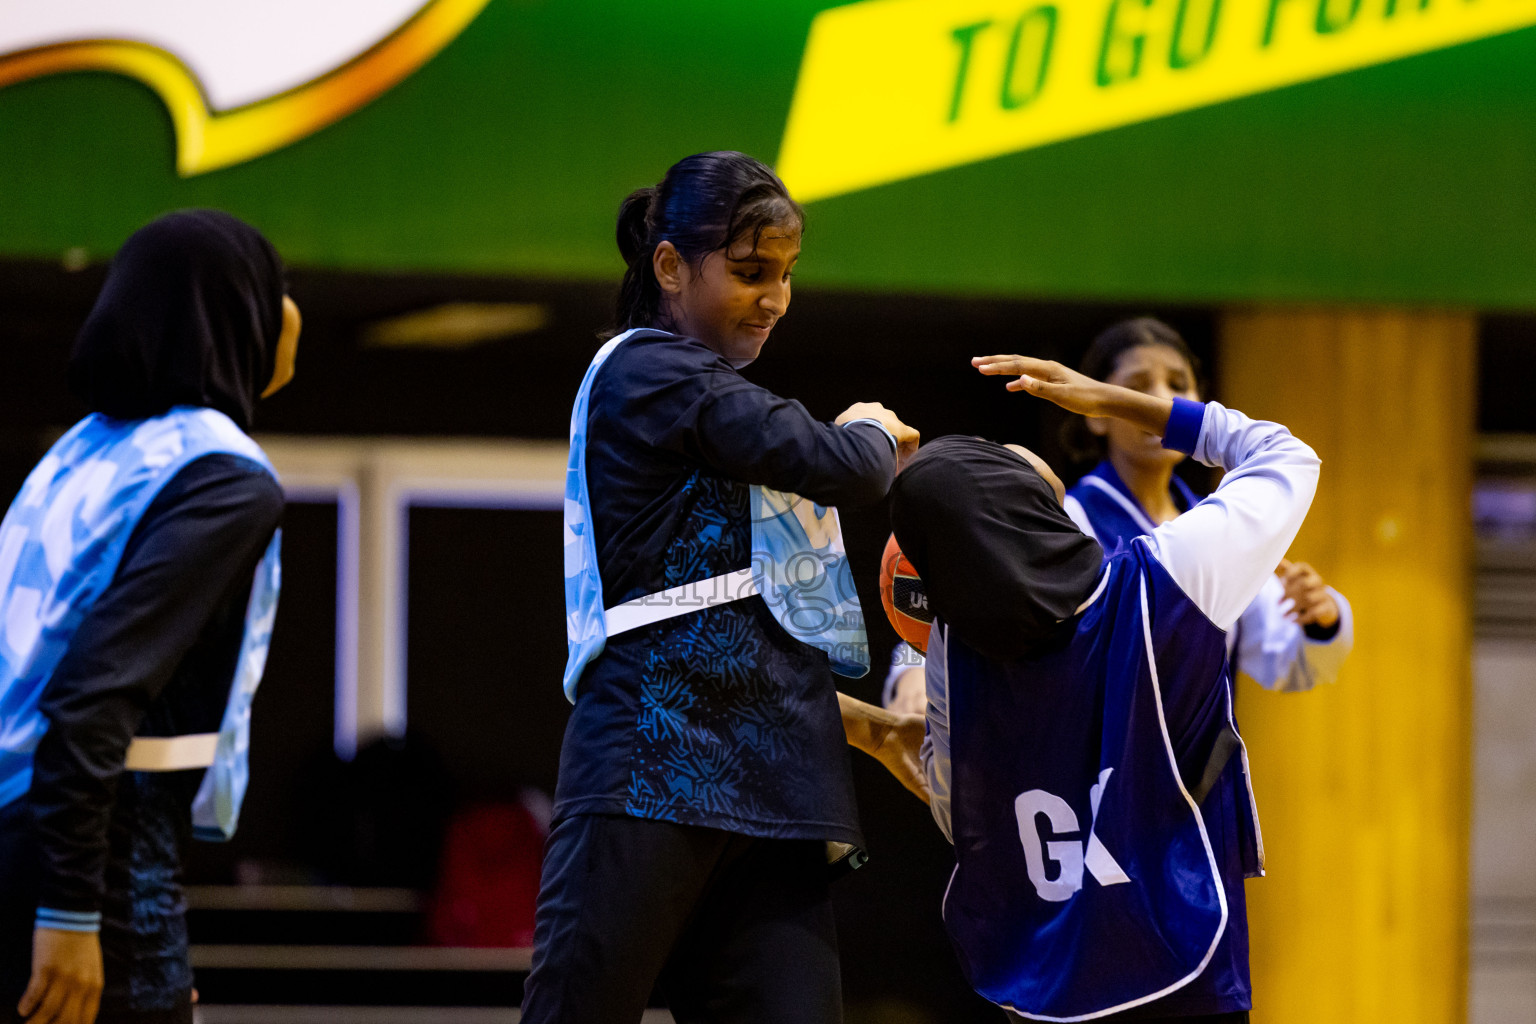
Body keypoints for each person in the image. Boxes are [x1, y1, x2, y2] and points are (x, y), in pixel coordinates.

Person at [521, 151, 925, 1024]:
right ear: (670, 267)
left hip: (778, 785)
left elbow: (749, 619)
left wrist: (871, 727)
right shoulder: (642, 370)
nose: (775, 297)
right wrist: (868, 431)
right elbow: (844, 465)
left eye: (785, 274)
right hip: (653, 761)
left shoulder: (716, 404)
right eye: (750, 273)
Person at [889, 353, 1322, 1022]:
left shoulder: (953, 650)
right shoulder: (1168, 574)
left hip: (1039, 987)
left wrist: (876, 727)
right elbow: (1284, 453)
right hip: (1184, 968)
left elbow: (956, 813)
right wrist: (1118, 403)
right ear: (1023, 507)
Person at [0, 210, 300, 1024]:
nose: (289, 312)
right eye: (276, 288)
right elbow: (92, 701)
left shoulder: (76, 454)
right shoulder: (221, 475)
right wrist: (74, 916)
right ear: (234, 309)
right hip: (89, 850)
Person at [883, 318, 1351, 715]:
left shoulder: (1216, 519)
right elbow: (949, 595)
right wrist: (911, 671)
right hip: (1087, 774)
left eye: (1177, 386)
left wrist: (1320, 620)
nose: (1161, 397)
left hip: (1192, 781)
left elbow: (1287, 663)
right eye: (1137, 388)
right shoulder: (1066, 512)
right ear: (1095, 409)